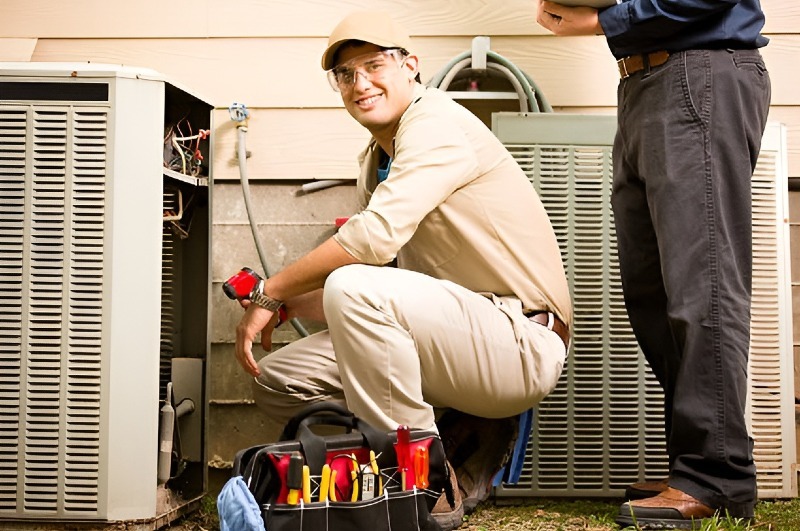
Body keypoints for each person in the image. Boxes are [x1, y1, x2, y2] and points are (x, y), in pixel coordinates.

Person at [233, 10, 572, 529]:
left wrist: (271, 293)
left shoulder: (437, 123)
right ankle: (440, 449)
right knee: (280, 380)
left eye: (373, 65)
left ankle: (422, 482)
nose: (359, 83)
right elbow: (384, 293)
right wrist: (289, 307)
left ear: (411, 65)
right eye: (345, 74)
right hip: (450, 336)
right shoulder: (377, 156)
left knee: (351, 285)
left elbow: (373, 241)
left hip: (518, 339)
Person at [535, 0, 771, 528]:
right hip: (647, 83)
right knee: (653, 294)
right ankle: (693, 465)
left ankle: (718, 477)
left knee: (702, 286)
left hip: (699, 72)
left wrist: (604, 21)